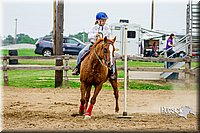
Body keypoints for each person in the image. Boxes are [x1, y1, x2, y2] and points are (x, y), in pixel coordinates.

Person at [72, 12, 116, 79]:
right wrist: (95, 35)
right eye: (103, 20)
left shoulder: (107, 28)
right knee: (81, 52)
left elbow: (109, 36)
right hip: (94, 44)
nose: (104, 21)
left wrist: (109, 41)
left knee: (111, 56)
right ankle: (77, 68)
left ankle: (112, 72)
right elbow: (89, 36)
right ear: (98, 20)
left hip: (104, 45)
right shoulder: (94, 27)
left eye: (105, 20)